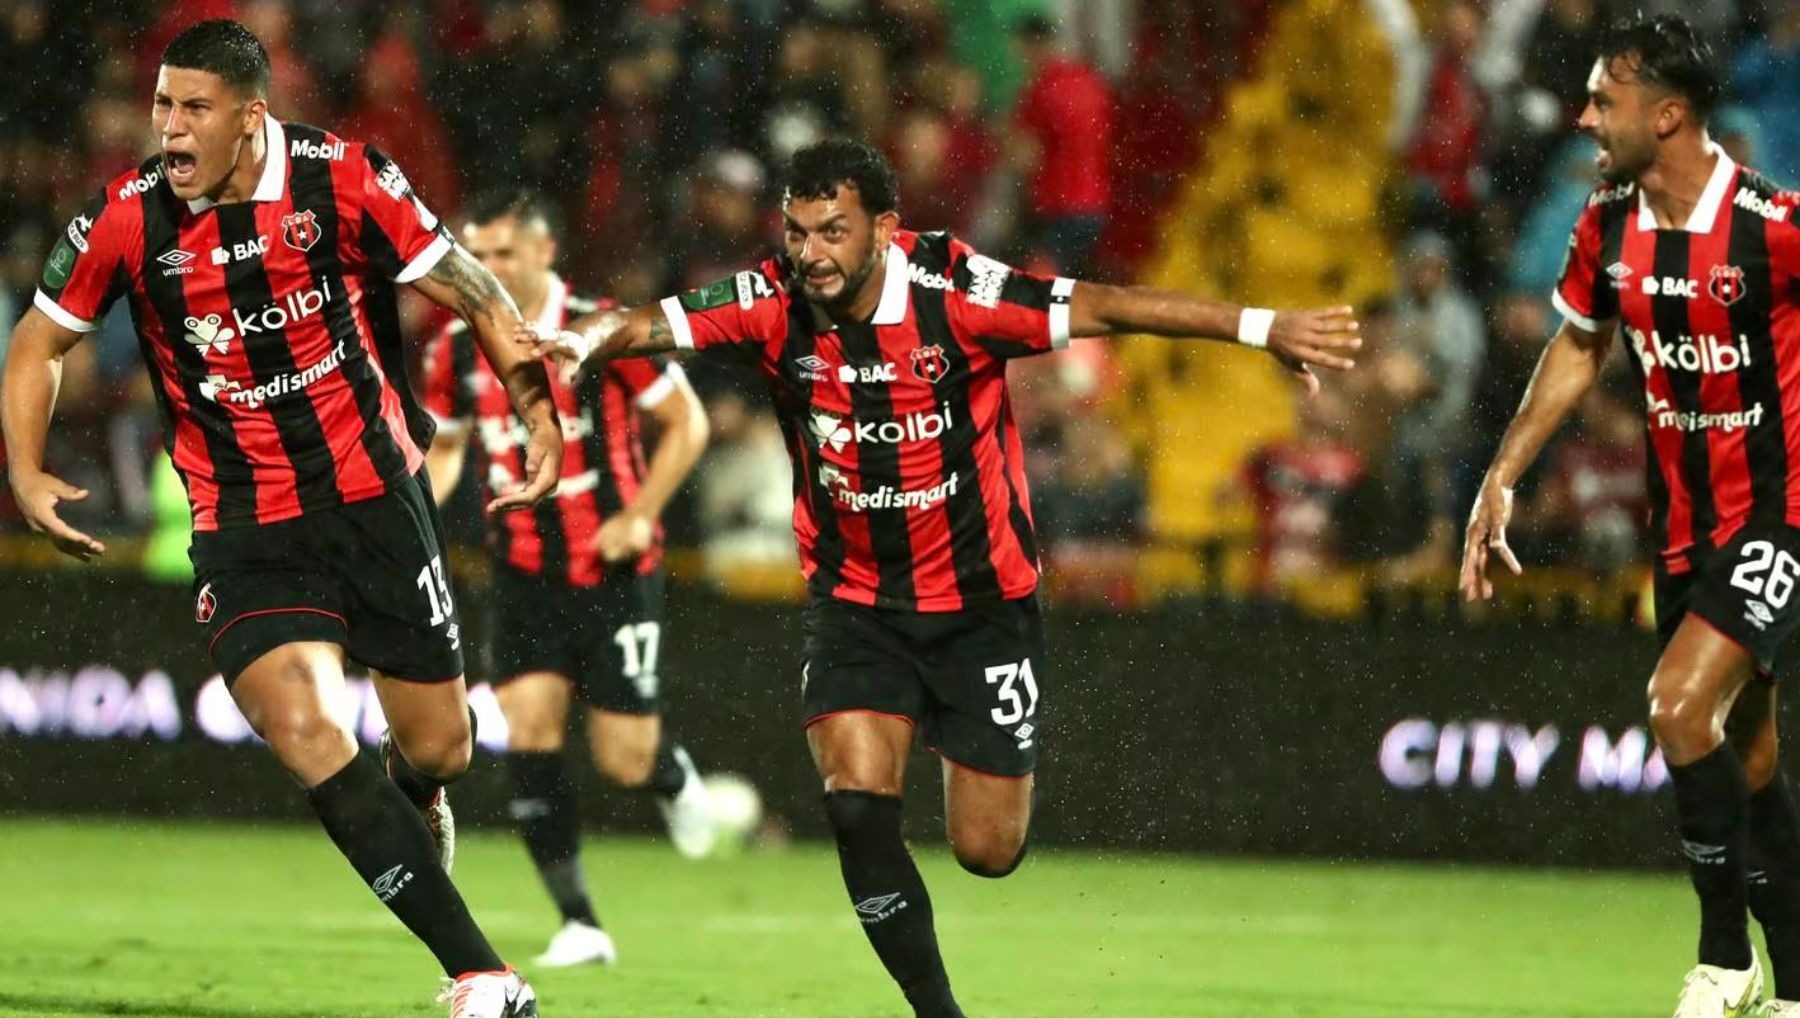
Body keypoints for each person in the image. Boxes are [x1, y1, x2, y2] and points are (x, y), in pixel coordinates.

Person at [520, 137, 1359, 1018]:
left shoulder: (959, 291)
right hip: (855, 603)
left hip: (983, 606)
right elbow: (645, 324)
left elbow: (1107, 307)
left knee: (988, 849)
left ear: (885, 228)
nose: (810, 254)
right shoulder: (770, 299)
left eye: (833, 231)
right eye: (798, 231)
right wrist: (582, 342)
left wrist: (1259, 328)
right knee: (852, 795)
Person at [0, 21, 552, 1018]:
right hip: (244, 519)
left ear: (252, 117)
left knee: (440, 748)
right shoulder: (127, 216)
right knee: (300, 724)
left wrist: (540, 413)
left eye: (194, 109)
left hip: (374, 498)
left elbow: (475, 291)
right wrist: (27, 471)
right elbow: (38, 342)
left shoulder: (343, 180)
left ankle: (416, 789)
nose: (169, 128)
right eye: (163, 104)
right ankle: (482, 972)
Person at [1460, 15, 1800, 1018]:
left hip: (1778, 519)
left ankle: (1723, 956)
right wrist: (1505, 470)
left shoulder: (1773, 226)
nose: (1585, 117)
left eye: (1604, 101)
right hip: (1685, 531)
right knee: (1749, 757)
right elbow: (1578, 347)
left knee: (1677, 706)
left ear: (1669, 112)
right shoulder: (1605, 225)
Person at [420, 188, 715, 968]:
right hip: (520, 568)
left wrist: (643, 513)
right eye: (473, 256)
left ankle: (670, 773)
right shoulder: (453, 347)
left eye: (502, 254)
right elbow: (449, 447)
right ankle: (580, 922)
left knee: (623, 759)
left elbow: (688, 422)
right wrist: (413, 511)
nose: (484, 269)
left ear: (545, 252)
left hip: (612, 567)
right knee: (530, 729)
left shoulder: (598, 329)